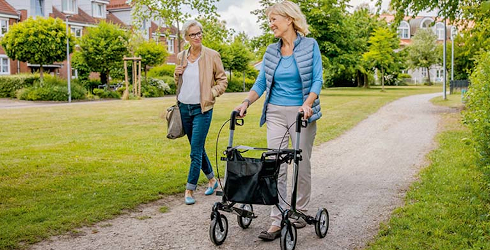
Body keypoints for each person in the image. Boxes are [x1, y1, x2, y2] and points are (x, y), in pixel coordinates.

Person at [234, 1, 322, 241]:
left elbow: (317, 80)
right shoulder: (271, 51)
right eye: (269, 19)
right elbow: (261, 82)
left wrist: (308, 103)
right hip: (274, 112)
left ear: (289, 20)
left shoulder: (310, 46)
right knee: (275, 164)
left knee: (301, 165)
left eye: (274, 19)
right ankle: (277, 217)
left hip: (301, 113)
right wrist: (246, 102)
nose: (270, 24)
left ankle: (300, 211)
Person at [174, 20, 228, 205]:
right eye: (193, 34)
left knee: (195, 151)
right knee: (197, 148)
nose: (197, 37)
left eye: (199, 33)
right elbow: (179, 82)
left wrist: (211, 93)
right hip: (184, 108)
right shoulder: (181, 56)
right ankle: (212, 180)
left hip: (202, 109)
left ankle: (189, 189)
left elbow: (222, 81)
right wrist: (177, 73)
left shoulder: (212, 55)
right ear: (186, 38)